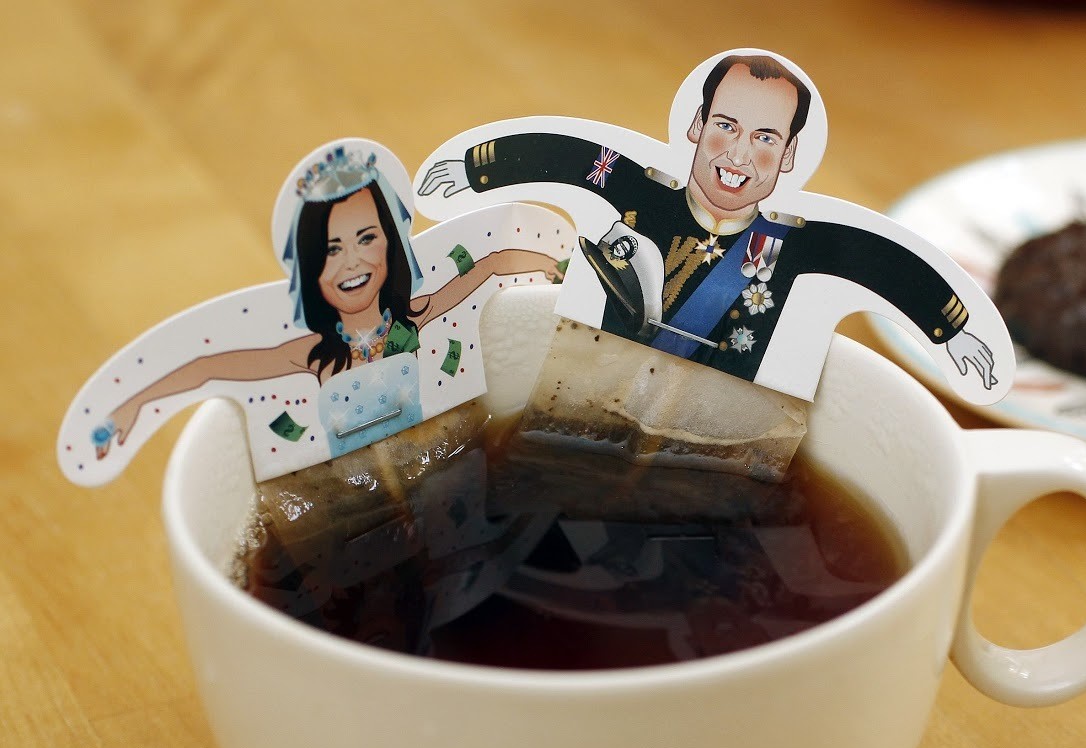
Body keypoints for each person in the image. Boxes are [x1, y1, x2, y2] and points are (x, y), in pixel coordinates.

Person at [417, 52, 998, 399]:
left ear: (790, 155)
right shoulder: (640, 189)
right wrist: (476, 167)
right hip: (583, 392)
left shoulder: (796, 241)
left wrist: (954, 328)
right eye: (726, 125)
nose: (739, 154)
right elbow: (571, 154)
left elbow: (879, 258)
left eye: (765, 137)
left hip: (721, 431)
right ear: (695, 126)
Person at [101, 148, 563, 459]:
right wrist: (136, 403)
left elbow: (490, 264)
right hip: (355, 506)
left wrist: (554, 265)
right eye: (331, 249)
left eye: (367, 238)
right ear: (308, 267)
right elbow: (208, 367)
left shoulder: (413, 320)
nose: (352, 261)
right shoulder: (314, 354)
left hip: (438, 475)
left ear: (390, 244)